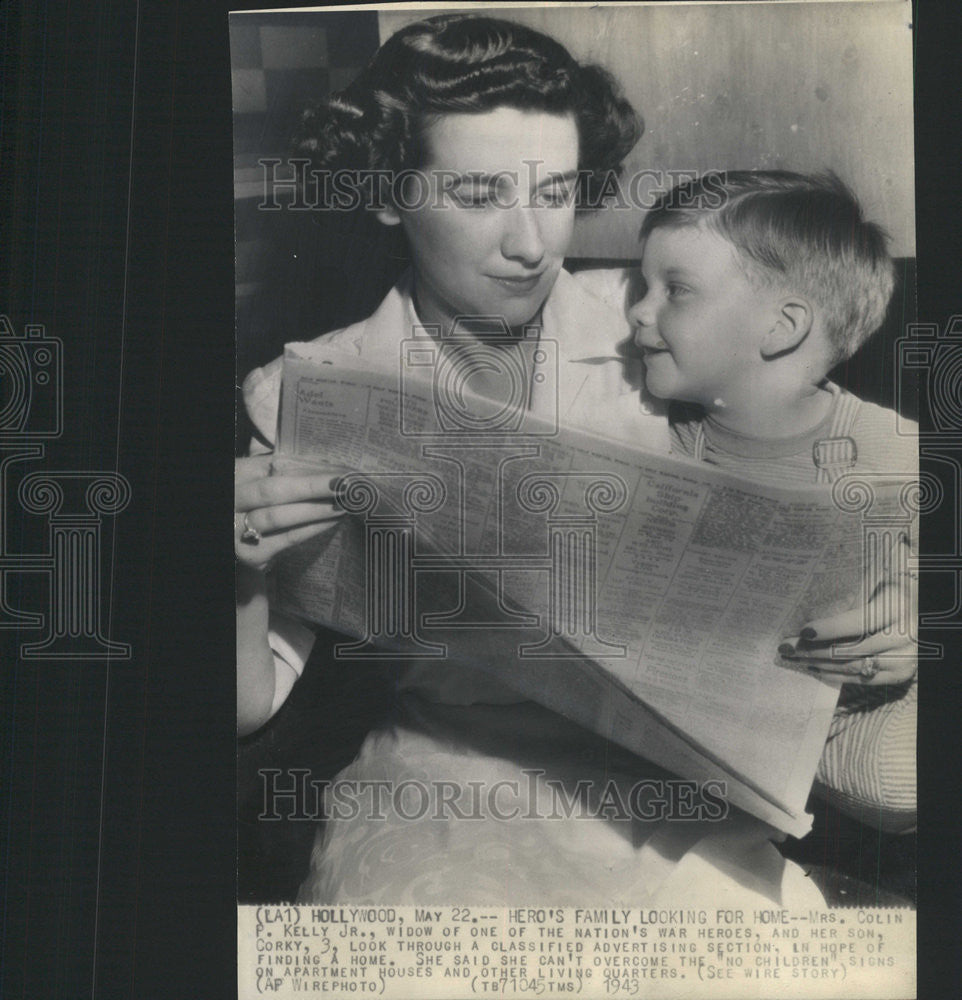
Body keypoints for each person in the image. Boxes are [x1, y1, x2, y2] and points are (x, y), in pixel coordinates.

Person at [235, 14, 913, 904]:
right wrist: (235, 573)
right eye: (480, 194)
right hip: (445, 788)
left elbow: (823, 453)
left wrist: (896, 614)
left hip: (679, 788)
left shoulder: (660, 319)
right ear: (387, 192)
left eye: (555, 191)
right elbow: (248, 704)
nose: (531, 245)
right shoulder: (308, 391)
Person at [628, 170, 917, 831]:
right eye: (641, 288)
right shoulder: (653, 436)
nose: (639, 312)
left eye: (675, 291)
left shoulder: (896, 450)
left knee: (899, 773)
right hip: (690, 717)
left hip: (845, 717)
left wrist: (915, 627)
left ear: (782, 326)